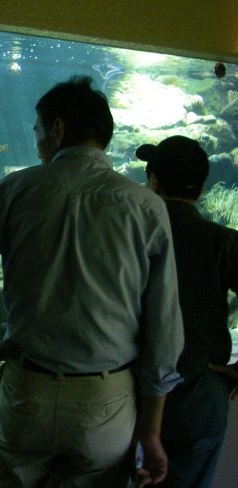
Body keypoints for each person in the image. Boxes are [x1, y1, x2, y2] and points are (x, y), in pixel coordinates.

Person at [0, 75, 184, 487]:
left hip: (28, 393)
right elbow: (165, 328)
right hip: (105, 402)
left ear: (57, 129)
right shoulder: (146, 207)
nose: (38, 143)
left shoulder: (15, 189)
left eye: (38, 131)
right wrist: (151, 432)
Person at [137, 135, 238, 487]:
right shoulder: (222, 241)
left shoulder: (133, 240)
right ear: (201, 187)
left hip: (131, 397)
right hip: (201, 396)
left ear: (153, 183)